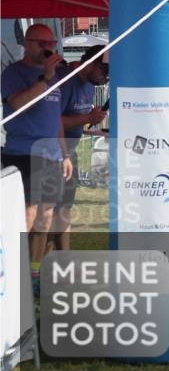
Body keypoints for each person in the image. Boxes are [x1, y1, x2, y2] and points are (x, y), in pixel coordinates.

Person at [0, 23, 70, 290]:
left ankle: (34, 272)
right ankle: (14, 274)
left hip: (51, 154)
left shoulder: (57, 77)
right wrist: (44, 77)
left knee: (46, 214)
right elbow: (17, 104)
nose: (48, 48)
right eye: (42, 44)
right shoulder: (14, 73)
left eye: (51, 44)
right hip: (24, 152)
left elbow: (57, 119)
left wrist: (64, 154)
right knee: (28, 214)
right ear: (27, 44)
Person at [54, 45, 109, 249]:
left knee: (65, 209)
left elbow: (76, 121)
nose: (106, 79)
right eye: (104, 72)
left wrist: (91, 124)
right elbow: (52, 120)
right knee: (47, 212)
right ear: (92, 63)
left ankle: (63, 258)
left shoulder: (89, 85)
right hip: (53, 153)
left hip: (70, 151)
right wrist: (87, 117)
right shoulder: (65, 80)